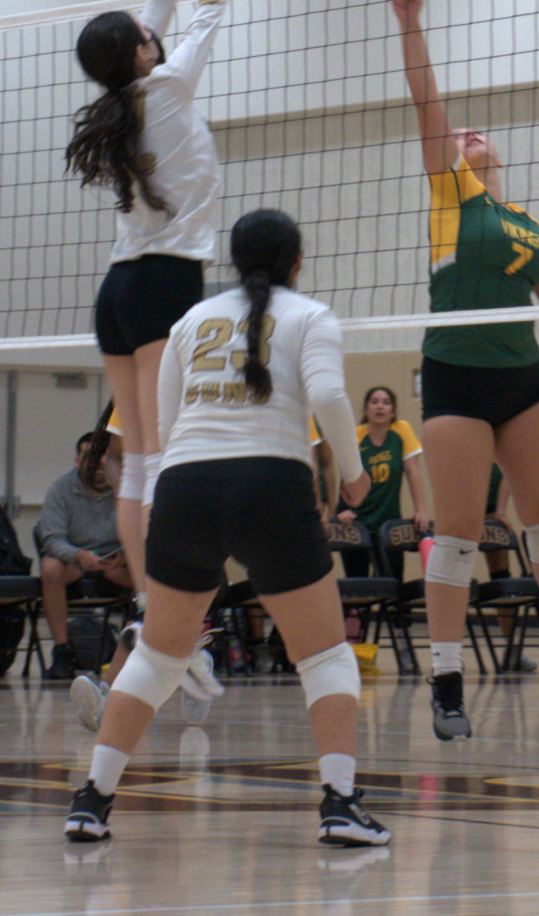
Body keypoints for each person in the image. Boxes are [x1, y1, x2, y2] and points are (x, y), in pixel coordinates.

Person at [65, 209, 390, 848]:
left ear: (232, 265)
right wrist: (354, 478)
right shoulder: (311, 317)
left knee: (159, 657)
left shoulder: (187, 322)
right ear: (297, 262)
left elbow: (161, 431)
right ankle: (341, 804)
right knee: (324, 655)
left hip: (185, 489)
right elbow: (327, 396)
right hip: (270, 485)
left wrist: (163, 513)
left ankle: (91, 801)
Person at [390, 0, 539, 741]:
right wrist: (412, 25)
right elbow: (426, 102)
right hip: (456, 375)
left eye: (476, 135)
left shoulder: (528, 224)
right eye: (461, 135)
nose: (469, 135)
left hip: (522, 380)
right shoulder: (450, 196)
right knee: (459, 535)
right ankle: (448, 678)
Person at [65, 0, 247, 690]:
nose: (155, 32)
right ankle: (176, 635)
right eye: (145, 36)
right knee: (161, 463)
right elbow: (202, 5)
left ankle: (155, 626)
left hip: (117, 292)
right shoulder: (168, 85)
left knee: (139, 464)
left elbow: (158, 3)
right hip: (167, 284)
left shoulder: (120, 96)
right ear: (138, 55)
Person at [70, 404, 223, 733]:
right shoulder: (133, 391)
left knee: (154, 616)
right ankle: (189, 664)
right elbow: (113, 456)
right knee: (149, 615)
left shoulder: (196, 389)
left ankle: (116, 693)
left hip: (192, 505)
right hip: (147, 514)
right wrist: (125, 492)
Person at [38, 432, 132, 680]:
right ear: (77, 461)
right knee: (49, 568)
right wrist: (78, 555)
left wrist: (123, 558)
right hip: (75, 561)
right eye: (92, 460)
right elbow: (51, 539)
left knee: (154, 569)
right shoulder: (60, 489)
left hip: (117, 563)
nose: (99, 467)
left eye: (105, 461)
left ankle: (141, 647)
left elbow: (143, 533)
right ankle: (61, 651)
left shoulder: (129, 490)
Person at [336, 386, 429, 582]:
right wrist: (342, 510)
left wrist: (420, 510)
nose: (380, 407)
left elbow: (412, 472)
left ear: (393, 411)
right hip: (356, 521)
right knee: (358, 587)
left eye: (386, 403)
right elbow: (346, 479)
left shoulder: (401, 431)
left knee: (393, 583)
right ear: (366, 409)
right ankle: (354, 613)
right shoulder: (356, 435)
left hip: (388, 523)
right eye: (374, 402)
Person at [481, 463, 537, 673]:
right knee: (458, 580)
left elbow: (508, 473)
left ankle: (512, 648)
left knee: (502, 578)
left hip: (492, 509)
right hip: (465, 509)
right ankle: (451, 652)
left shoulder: (500, 439)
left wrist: (500, 512)